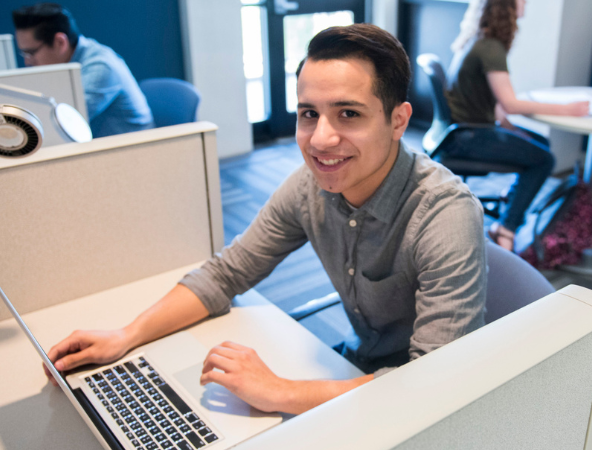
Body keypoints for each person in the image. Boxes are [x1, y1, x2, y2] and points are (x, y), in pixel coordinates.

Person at [43, 24, 487, 415]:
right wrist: (126, 335)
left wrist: (281, 392)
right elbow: (226, 273)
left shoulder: (444, 216)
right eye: (309, 113)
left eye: (348, 114)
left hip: (418, 401)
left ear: (397, 120)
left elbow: (435, 383)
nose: (321, 138)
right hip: (354, 369)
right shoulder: (308, 186)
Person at [445, 0, 589, 251]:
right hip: (470, 136)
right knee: (545, 160)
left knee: (540, 143)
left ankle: (511, 204)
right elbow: (510, 103)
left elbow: (496, 103)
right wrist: (568, 110)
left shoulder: (479, 39)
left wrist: (509, 127)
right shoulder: (490, 47)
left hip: (462, 130)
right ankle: (507, 227)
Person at [12, 3, 154, 138]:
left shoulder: (101, 67)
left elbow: (62, 123)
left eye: (31, 52)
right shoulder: (65, 65)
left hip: (133, 154)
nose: (27, 61)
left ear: (60, 42)